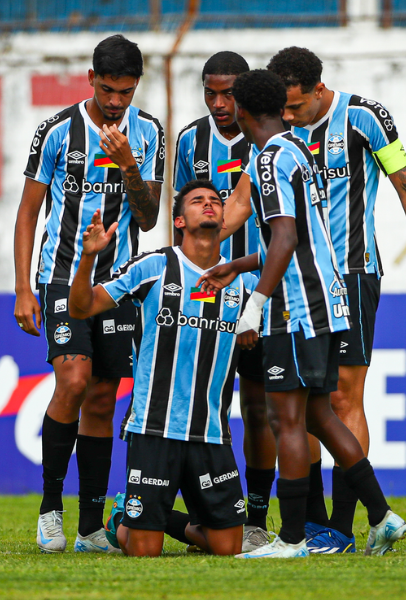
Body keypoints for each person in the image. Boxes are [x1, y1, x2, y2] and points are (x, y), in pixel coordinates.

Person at [198, 70, 406, 558]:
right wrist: (238, 264)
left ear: (245, 112)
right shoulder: (297, 149)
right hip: (328, 302)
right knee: (319, 414)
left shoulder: (268, 159)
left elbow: (287, 240)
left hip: (296, 309)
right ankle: (382, 515)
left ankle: (292, 539)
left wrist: (254, 305)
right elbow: (297, 235)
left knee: (285, 419)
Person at [266, 46, 406, 549]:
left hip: (351, 274)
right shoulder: (273, 130)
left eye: (297, 107)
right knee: (301, 402)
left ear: (319, 91)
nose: (289, 117)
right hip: (292, 281)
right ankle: (312, 523)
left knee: (344, 396)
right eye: (282, 109)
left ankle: (344, 529)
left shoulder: (364, 117)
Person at [13, 34, 165, 553]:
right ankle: (50, 508)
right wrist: (21, 288)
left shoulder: (148, 133)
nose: (116, 101)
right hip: (61, 277)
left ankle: (90, 528)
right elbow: (29, 210)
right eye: (107, 90)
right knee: (74, 381)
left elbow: (149, 217)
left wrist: (128, 164)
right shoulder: (56, 131)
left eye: (126, 91)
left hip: (119, 283)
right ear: (90, 80)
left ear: (136, 85)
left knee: (103, 397)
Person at [69, 180, 256, 557]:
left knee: (228, 548)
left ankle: (162, 518)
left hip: (210, 432)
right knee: (143, 552)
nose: (209, 205)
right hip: (153, 428)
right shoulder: (155, 266)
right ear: (179, 221)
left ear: (224, 219)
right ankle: (126, 519)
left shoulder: (246, 283)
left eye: (216, 201)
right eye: (197, 201)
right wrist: (88, 257)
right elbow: (81, 307)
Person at [172, 51, 272, 553]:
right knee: (209, 405)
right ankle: (212, 514)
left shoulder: (268, 141)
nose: (218, 103)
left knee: (260, 408)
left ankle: (255, 516)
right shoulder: (190, 140)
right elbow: (183, 217)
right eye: (209, 93)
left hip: (260, 289)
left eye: (228, 93)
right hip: (206, 292)